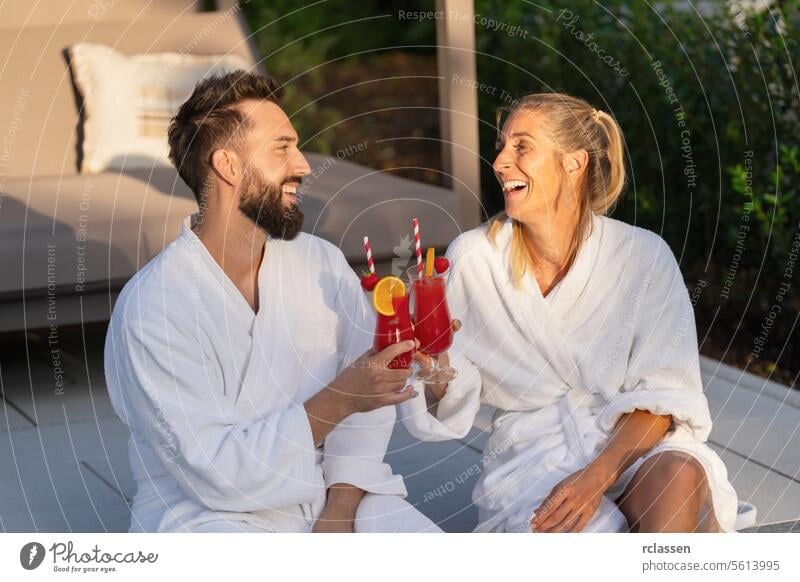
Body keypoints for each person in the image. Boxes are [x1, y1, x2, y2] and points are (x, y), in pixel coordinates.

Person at [104, 71, 440, 533]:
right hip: (209, 514)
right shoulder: (154, 307)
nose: (303, 165)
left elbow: (371, 397)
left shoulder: (319, 261)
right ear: (228, 165)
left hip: (330, 489)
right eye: (282, 148)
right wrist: (339, 399)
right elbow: (215, 474)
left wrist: (340, 512)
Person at [401, 93, 748, 533]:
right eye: (502, 146)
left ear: (574, 163)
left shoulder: (642, 256)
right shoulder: (476, 259)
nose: (501, 162)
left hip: (631, 443)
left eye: (521, 146)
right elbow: (456, 384)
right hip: (535, 454)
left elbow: (665, 394)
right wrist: (436, 368)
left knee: (678, 475)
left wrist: (597, 474)